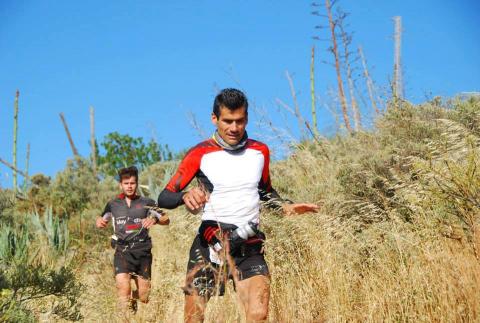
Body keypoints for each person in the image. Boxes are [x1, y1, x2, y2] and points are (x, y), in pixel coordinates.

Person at [157, 88, 319, 322]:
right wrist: (183, 196)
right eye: (227, 121)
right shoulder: (200, 153)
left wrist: (284, 207)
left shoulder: (259, 151)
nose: (234, 128)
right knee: (194, 318)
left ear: (247, 118)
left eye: (240, 121)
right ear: (214, 118)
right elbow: (165, 196)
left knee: (258, 314)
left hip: (249, 243)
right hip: (209, 244)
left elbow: (264, 190)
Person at [96, 166, 169, 315]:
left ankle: (134, 298)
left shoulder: (147, 202)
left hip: (142, 251)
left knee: (144, 295)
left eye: (132, 183)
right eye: (126, 183)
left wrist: (154, 219)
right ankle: (125, 317)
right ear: (120, 185)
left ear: (136, 184)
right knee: (123, 288)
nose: (129, 186)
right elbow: (102, 218)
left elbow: (166, 219)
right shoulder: (113, 204)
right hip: (122, 251)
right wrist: (99, 222)